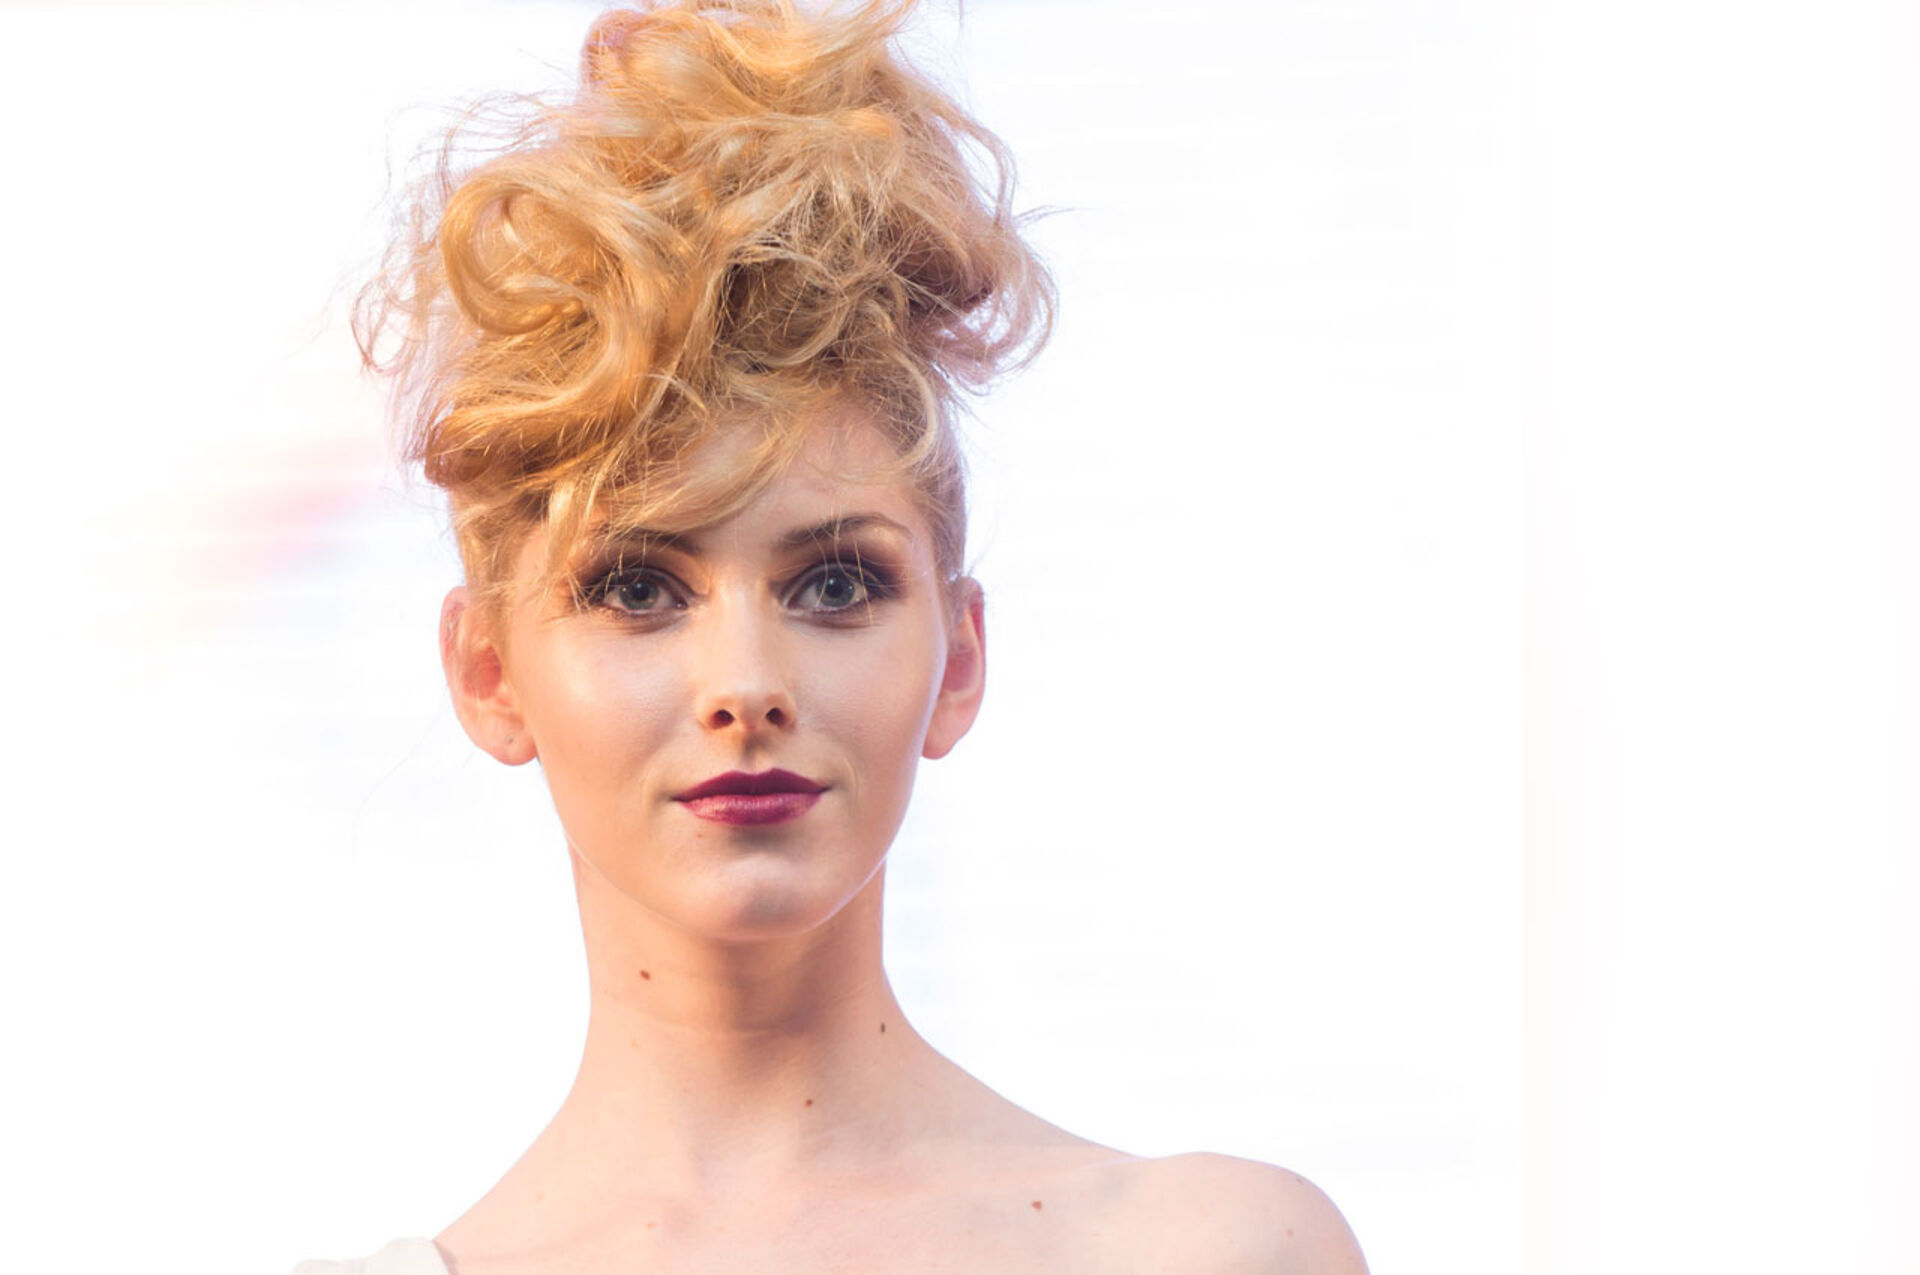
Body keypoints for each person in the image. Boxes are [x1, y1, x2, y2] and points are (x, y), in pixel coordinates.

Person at [294, 1, 1368, 1271]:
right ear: (488, 673)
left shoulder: (1217, 1250)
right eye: (636, 590)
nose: (746, 687)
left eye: (837, 584)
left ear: (958, 659)